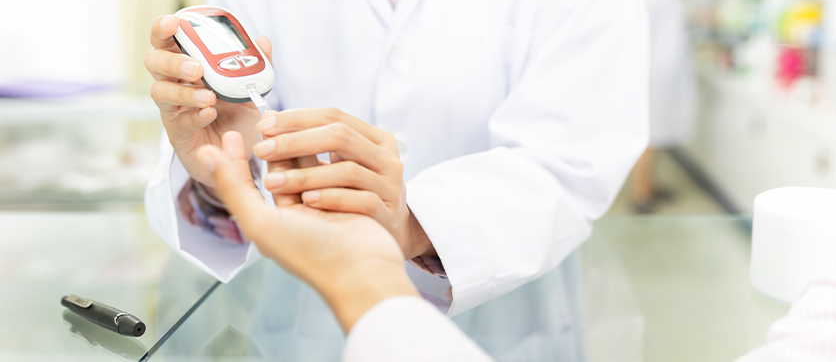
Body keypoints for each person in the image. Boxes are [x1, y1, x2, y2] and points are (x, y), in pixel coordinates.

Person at [144, 0, 649, 355]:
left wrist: (406, 221)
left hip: (507, 328)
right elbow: (247, 125)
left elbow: (572, 160)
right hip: (310, 327)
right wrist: (222, 172)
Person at [200, 132, 836, 362]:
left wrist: (375, 266)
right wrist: (215, 150)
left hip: (514, 311)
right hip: (291, 317)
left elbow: (578, 154)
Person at [632, 0, 700, 213]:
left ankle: (651, 185)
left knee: (658, 133)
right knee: (650, 134)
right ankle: (640, 194)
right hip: (653, 72)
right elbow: (639, 26)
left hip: (665, 71)